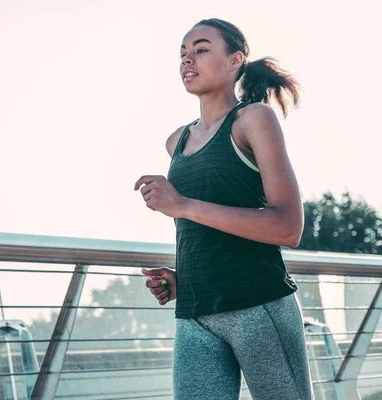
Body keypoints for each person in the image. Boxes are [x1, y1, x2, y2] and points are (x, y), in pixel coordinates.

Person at [134, 18, 315, 400]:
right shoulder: (176, 142)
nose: (188, 60)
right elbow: (206, 226)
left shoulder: (254, 119)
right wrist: (186, 276)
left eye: (201, 50)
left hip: (258, 306)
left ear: (236, 60)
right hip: (196, 313)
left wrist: (181, 204)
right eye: (182, 54)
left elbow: (288, 227)